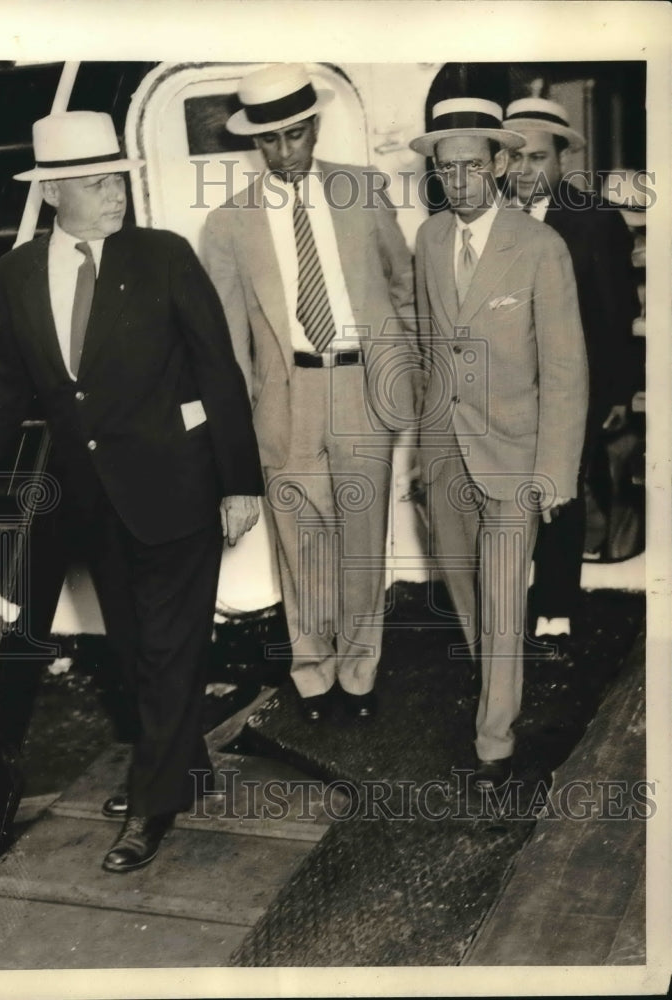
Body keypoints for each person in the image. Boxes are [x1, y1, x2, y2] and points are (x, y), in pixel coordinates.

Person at [0, 111, 264, 873]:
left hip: (179, 488)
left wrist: (238, 484)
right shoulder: (15, 274)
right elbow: (10, 383)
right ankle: (182, 765)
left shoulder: (164, 257)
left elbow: (219, 371)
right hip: (91, 500)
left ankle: (153, 809)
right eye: (95, 182)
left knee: (168, 646)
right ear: (54, 193)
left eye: (116, 177)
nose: (115, 193)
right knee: (131, 647)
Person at [203, 64, 420, 725]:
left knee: (361, 537)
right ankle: (313, 676)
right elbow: (225, 348)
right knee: (300, 546)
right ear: (254, 145)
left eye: (295, 137)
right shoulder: (227, 224)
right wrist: (238, 435)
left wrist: (401, 378)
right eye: (268, 142)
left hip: (361, 387)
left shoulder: (363, 192)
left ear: (314, 128)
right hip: (284, 399)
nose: (284, 153)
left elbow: (404, 289)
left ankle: (359, 675)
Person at [408, 98, 588, 790]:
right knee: (466, 593)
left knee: (506, 599)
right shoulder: (427, 240)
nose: (457, 181)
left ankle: (494, 744)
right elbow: (428, 348)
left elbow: (565, 368)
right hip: (446, 450)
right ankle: (493, 692)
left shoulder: (541, 247)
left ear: (501, 165)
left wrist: (554, 471)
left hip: (514, 456)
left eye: (470, 167)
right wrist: (424, 455)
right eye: (445, 169)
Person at [503, 98, 639, 640]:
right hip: (508, 390)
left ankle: (556, 606)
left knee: (560, 490)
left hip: (574, 387)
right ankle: (510, 602)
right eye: (516, 159)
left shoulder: (594, 219)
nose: (526, 171)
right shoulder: (492, 220)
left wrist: (616, 396)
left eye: (538, 157)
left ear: (562, 158)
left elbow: (617, 315)